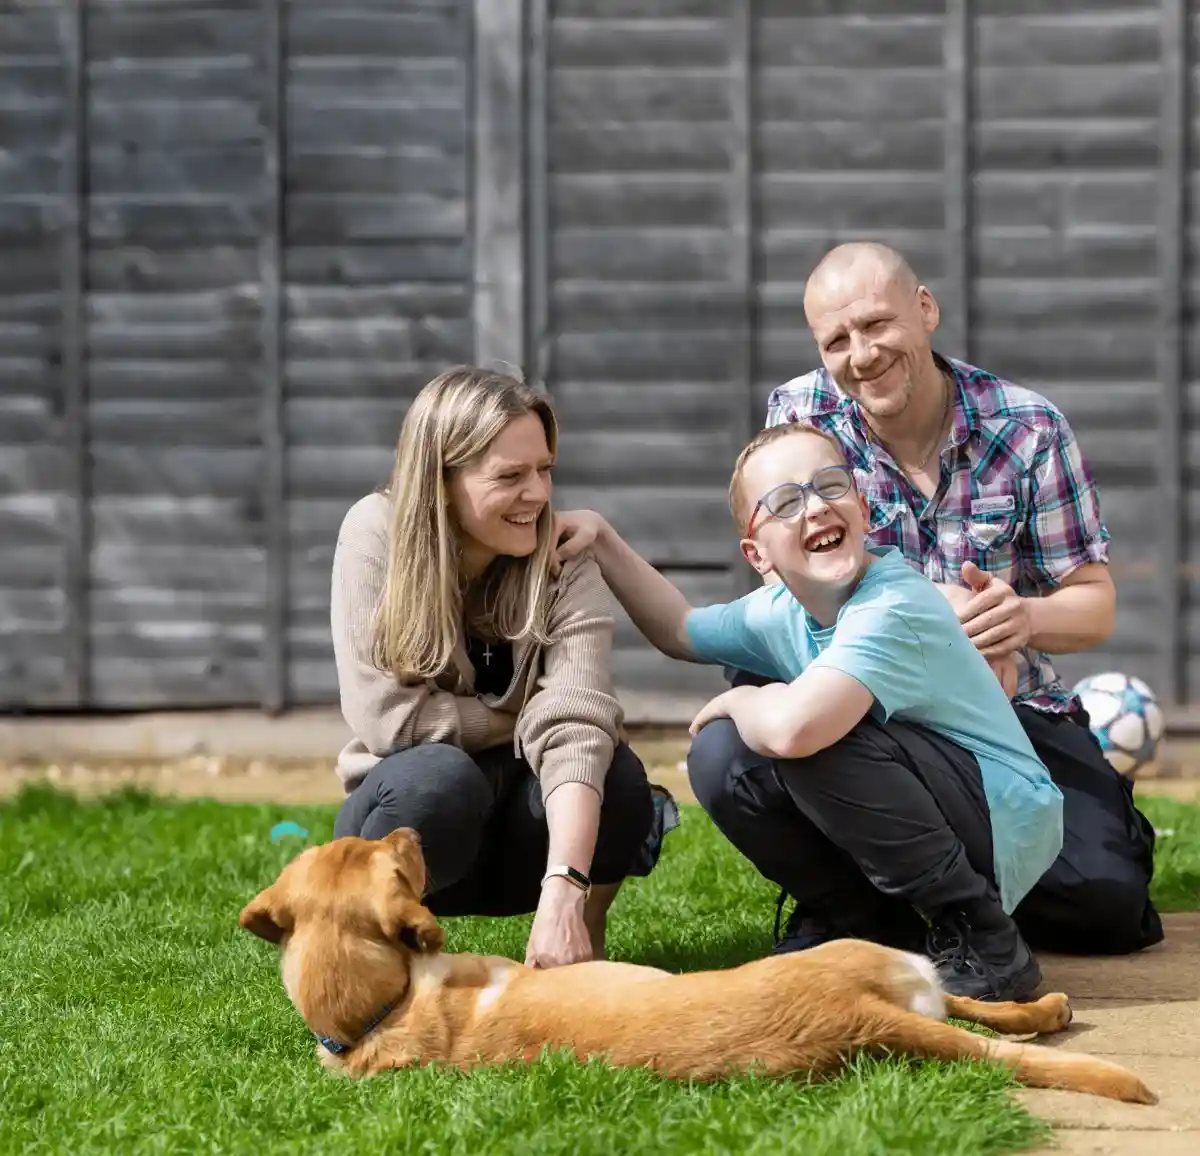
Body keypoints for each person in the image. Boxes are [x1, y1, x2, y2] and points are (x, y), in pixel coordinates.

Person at [554, 423, 1065, 1002]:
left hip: (1002, 818)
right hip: (933, 799)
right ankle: (861, 921)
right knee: (720, 754)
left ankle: (985, 938)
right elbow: (679, 628)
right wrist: (601, 538)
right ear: (757, 554)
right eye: (786, 502)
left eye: (830, 485)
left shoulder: (890, 604)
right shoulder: (781, 610)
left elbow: (796, 730)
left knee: (810, 735)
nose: (816, 507)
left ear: (864, 510)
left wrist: (744, 698)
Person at [757, 240, 1161, 957]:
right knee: (741, 758)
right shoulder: (800, 418)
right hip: (865, 708)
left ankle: (937, 888)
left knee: (1109, 906)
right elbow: (781, 584)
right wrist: (924, 610)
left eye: (877, 324)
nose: (862, 355)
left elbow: (1094, 604)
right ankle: (857, 907)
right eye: (837, 341)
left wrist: (1022, 617)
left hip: (1010, 715)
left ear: (926, 309)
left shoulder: (1028, 428)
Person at [329, 366, 674, 969]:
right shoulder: (374, 534)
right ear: (440, 481)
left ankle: (575, 936)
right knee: (440, 778)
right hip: (415, 823)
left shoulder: (564, 555)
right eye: (510, 476)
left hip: (523, 831)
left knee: (616, 775)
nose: (538, 495)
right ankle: (380, 952)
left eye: (545, 469)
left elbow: (578, 725)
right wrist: (523, 716)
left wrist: (564, 885)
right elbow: (391, 722)